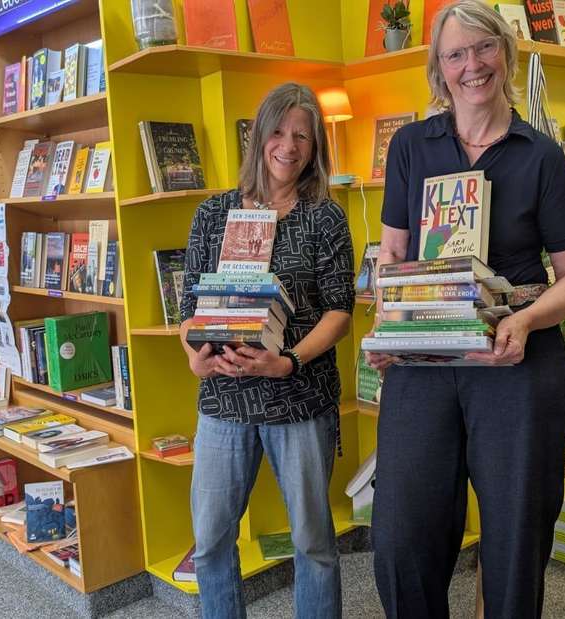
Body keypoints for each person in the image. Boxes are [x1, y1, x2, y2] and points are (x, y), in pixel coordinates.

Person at [367, 2, 565, 617]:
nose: (472, 65)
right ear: (439, 70)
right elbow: (391, 257)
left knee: (516, 538)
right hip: (425, 361)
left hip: (517, 361)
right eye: (455, 54)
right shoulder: (411, 148)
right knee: (399, 538)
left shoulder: (541, 156)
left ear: (505, 53)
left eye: (483, 48)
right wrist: (387, 325)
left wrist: (524, 319)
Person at [178, 82, 354, 619]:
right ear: (257, 136)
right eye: (278, 131)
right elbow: (189, 304)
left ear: (315, 146)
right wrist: (194, 354)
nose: (289, 145)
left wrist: (290, 360)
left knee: (313, 542)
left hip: (298, 397)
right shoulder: (213, 214)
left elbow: (340, 310)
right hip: (225, 400)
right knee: (209, 541)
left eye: (302, 135)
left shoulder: (325, 217)